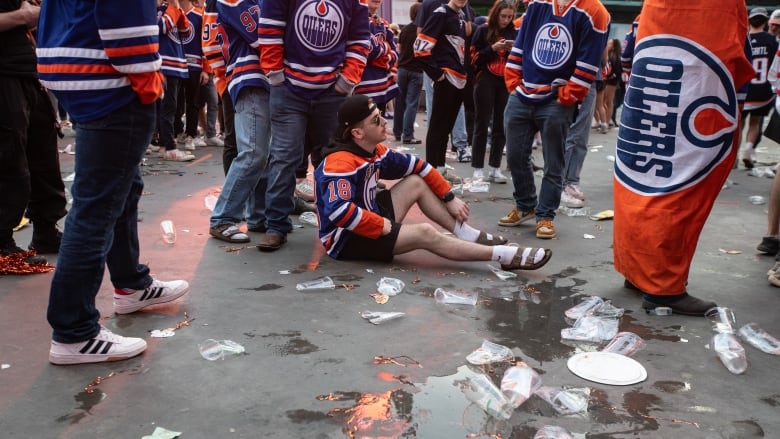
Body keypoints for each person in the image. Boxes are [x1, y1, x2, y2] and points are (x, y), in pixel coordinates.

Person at [37, 0, 191, 364]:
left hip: (80, 78)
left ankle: (131, 283)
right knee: (96, 209)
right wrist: (150, 82)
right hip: (111, 85)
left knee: (121, 189)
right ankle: (74, 331)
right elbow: (128, 28)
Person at [613, 0, 753, 315]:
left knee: (645, 167)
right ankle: (662, 286)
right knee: (683, 174)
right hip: (704, 27)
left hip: (665, 28)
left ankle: (639, 271)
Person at [314, 95, 552, 271]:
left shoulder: (375, 150)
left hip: (371, 215)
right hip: (345, 239)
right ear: (357, 133)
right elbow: (339, 212)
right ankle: (504, 256)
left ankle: (466, 233)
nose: (384, 122)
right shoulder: (339, 162)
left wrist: (449, 197)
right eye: (376, 120)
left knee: (415, 181)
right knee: (426, 233)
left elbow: (420, 167)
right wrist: (384, 227)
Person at [258, 0, 370, 251]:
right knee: (284, 156)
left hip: (332, 93)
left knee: (334, 159)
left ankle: (339, 222)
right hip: (289, 90)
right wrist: (276, 74)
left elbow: (361, 39)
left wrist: (346, 81)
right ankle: (275, 225)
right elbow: (269, 28)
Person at [498, 0, 609, 240]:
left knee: (553, 161)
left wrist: (567, 97)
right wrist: (514, 83)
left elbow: (589, 62)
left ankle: (545, 215)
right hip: (523, 94)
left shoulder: (595, 11)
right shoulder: (539, 4)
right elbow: (521, 44)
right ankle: (526, 204)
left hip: (555, 100)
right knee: (515, 155)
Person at [0, 0, 67, 266]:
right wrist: (23, 16)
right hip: (4, 74)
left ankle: (46, 231)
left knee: (44, 158)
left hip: (28, 70)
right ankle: (2, 243)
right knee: (9, 159)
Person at [207, 0, 272, 244]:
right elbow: (261, 36)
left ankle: (258, 216)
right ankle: (223, 218)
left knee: (263, 153)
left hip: (262, 78)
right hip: (249, 76)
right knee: (253, 151)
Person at [415, 0, 471, 177]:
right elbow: (419, 47)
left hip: (459, 78)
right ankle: (432, 169)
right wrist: (437, 74)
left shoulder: (460, 15)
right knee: (438, 125)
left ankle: (440, 165)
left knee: (446, 125)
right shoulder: (441, 13)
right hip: (446, 77)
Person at [469, 0, 515, 184]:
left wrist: (512, 50)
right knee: (481, 123)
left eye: (509, 17)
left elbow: (520, 58)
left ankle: (495, 167)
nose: (505, 20)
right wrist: (492, 49)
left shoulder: (514, 32)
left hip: (505, 80)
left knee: (501, 125)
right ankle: (478, 168)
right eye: (503, 16)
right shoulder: (483, 30)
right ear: (496, 14)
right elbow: (473, 59)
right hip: (485, 79)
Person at [157, 0, 196, 161]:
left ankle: (164, 144)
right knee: (167, 107)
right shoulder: (160, 10)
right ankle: (169, 147)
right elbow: (163, 26)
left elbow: (186, 32)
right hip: (166, 65)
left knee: (173, 107)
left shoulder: (173, 9)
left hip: (176, 66)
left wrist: (178, 10)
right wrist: (174, 7)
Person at [740, 8, 777, 169]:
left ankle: (733, 156)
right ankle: (748, 151)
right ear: (765, 21)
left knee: (739, 125)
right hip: (763, 91)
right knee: (755, 123)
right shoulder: (772, 41)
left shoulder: (742, 40)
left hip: (745, 88)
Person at [354, 0, 399, 116]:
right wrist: (386, 47)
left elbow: (395, 54)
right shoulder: (357, 20)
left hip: (382, 88)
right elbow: (370, 50)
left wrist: (380, 60)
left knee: (378, 127)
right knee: (363, 127)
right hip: (362, 88)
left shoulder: (383, 24)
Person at [393, 5, 425, 144]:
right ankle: (408, 135)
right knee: (411, 103)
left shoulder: (404, 30)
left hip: (402, 69)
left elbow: (400, 49)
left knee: (400, 102)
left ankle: (397, 131)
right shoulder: (422, 31)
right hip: (416, 70)